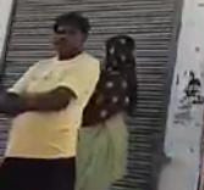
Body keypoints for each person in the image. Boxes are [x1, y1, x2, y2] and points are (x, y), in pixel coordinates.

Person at [0, 12, 101, 190]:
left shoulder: (87, 64)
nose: (63, 37)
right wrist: (26, 102)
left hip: (54, 158)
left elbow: (57, 101)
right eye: (59, 32)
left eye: (71, 33)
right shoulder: (40, 66)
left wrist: (20, 103)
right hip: (17, 154)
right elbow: (6, 102)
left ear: (83, 37)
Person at [76, 35, 136, 190]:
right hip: (97, 132)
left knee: (88, 175)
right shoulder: (124, 77)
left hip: (97, 134)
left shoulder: (111, 77)